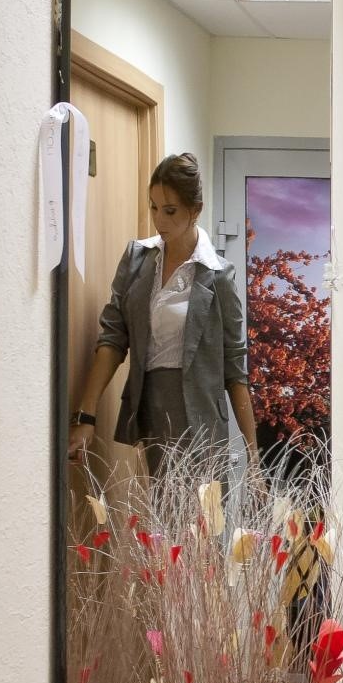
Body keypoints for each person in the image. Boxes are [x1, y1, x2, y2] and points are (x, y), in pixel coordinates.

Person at [68, 152, 259, 482]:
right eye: (154, 207)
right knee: (161, 509)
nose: (159, 220)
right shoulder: (137, 259)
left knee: (203, 512)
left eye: (170, 210)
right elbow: (113, 338)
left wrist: (253, 459)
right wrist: (86, 415)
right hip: (152, 412)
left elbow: (235, 370)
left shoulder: (218, 275)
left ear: (195, 210)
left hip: (202, 422)